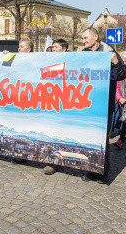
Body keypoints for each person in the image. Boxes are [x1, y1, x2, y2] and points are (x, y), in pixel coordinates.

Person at [81, 27, 126, 184]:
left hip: (104, 101)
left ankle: (103, 172)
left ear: (95, 37)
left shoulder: (110, 52)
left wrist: (115, 63)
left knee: (101, 139)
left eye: (86, 38)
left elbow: (121, 75)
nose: (84, 41)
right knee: (88, 137)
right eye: (82, 38)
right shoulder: (84, 53)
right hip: (88, 101)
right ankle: (90, 170)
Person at [43, 38, 69, 175]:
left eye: (56, 47)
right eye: (52, 47)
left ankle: (60, 160)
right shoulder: (49, 62)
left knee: (60, 134)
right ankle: (50, 162)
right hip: (49, 103)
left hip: (63, 105)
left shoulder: (72, 62)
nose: (53, 49)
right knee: (49, 133)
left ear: (64, 49)